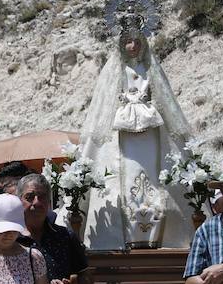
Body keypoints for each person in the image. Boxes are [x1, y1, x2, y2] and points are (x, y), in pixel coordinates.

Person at [81, 14, 196, 251]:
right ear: (121, 44)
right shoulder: (113, 70)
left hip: (152, 128)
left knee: (158, 174)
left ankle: (168, 233)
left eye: (136, 41)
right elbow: (104, 102)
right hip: (121, 131)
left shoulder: (151, 68)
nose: (132, 47)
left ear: (143, 42)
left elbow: (165, 98)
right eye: (127, 42)